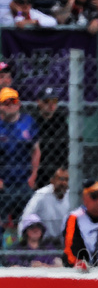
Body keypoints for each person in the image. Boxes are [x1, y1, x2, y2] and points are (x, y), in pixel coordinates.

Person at [0, 86, 39, 227]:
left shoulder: (28, 122)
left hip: (24, 181)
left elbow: (36, 150)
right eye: (6, 102)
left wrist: (33, 175)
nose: (11, 105)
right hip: (4, 184)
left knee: (26, 220)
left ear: (19, 104)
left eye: (13, 101)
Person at [20, 166, 70, 235]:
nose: (64, 183)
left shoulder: (71, 195)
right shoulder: (41, 195)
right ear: (52, 180)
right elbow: (26, 216)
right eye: (61, 179)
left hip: (64, 239)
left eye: (66, 180)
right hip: (44, 242)